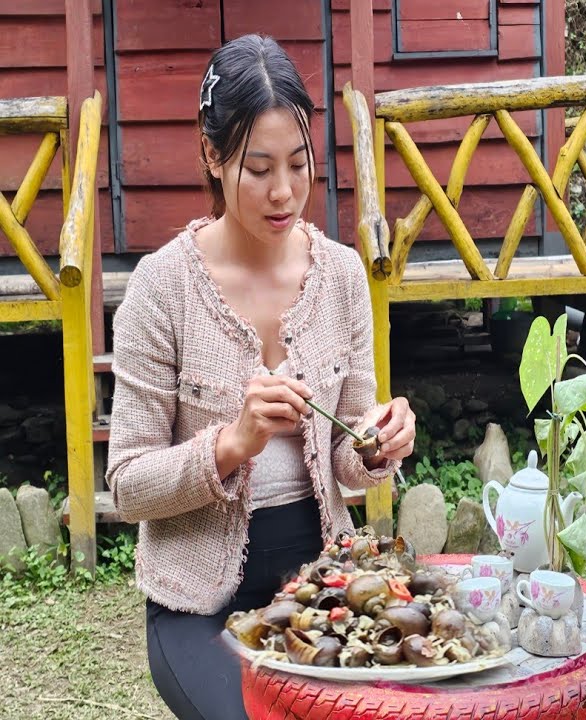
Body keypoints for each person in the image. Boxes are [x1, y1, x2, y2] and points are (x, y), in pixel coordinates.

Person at [106, 35, 416, 720]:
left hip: (323, 590)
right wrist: (231, 443)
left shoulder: (341, 277)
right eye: (259, 168)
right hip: (199, 604)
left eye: (299, 164)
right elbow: (127, 484)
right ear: (212, 157)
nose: (284, 192)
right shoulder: (162, 289)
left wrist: (376, 443)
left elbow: (350, 458)